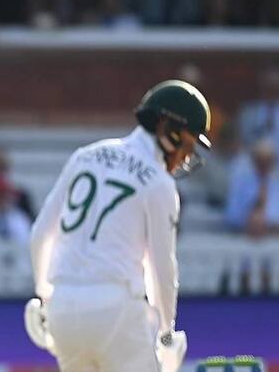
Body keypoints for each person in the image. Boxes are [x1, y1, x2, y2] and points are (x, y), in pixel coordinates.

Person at [29, 80, 212, 371]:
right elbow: (162, 268)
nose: (186, 157)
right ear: (169, 129)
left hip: (62, 306)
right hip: (115, 307)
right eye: (188, 145)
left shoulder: (84, 156)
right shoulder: (159, 182)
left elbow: (40, 235)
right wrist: (166, 333)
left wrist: (44, 296)